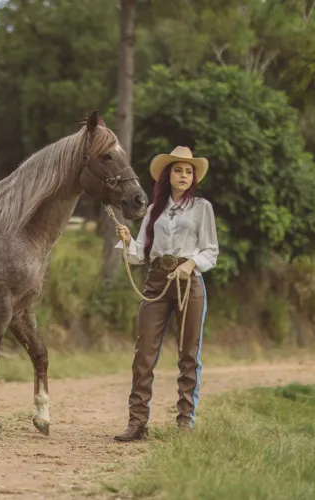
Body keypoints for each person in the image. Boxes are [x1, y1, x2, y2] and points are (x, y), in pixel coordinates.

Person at [112, 146, 219, 441]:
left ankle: (185, 420)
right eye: (178, 170)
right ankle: (137, 422)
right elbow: (141, 255)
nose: (183, 175)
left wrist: (191, 264)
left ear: (193, 177)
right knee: (144, 354)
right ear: (167, 175)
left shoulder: (202, 208)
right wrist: (127, 240)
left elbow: (211, 250)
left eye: (188, 171)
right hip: (157, 281)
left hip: (189, 283)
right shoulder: (153, 210)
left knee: (188, 354)